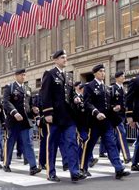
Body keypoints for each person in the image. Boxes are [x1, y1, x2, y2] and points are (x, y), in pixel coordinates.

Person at [40, 50, 86, 182]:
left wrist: (76, 98)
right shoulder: (49, 74)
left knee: (72, 142)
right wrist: (47, 112)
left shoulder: (69, 76)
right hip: (55, 116)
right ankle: (51, 173)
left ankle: (74, 172)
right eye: (62, 57)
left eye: (66, 57)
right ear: (55, 60)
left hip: (69, 116)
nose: (65, 59)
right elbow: (45, 94)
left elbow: (71, 94)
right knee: (52, 144)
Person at [82, 64, 130, 180]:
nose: (103, 73)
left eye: (104, 71)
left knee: (111, 145)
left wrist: (114, 108)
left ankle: (118, 169)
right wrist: (96, 112)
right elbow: (87, 103)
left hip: (106, 122)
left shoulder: (107, 88)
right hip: (94, 122)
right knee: (89, 146)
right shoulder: (89, 86)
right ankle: (82, 168)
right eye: (100, 71)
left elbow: (108, 105)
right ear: (95, 73)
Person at [3, 68, 41, 175]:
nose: (23, 77)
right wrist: (14, 112)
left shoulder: (27, 88)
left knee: (29, 143)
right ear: (16, 76)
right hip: (13, 121)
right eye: (21, 75)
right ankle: (6, 163)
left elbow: (29, 104)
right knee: (10, 143)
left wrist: (34, 110)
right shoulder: (10, 87)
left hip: (26, 121)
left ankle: (33, 166)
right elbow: (6, 102)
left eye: (24, 75)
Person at [111, 71, 131, 164]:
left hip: (123, 115)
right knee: (122, 134)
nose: (124, 77)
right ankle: (127, 156)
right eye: (122, 76)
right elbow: (108, 101)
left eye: (124, 76)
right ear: (117, 77)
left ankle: (116, 156)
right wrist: (113, 107)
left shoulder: (124, 88)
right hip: (115, 116)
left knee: (117, 136)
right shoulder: (113, 88)